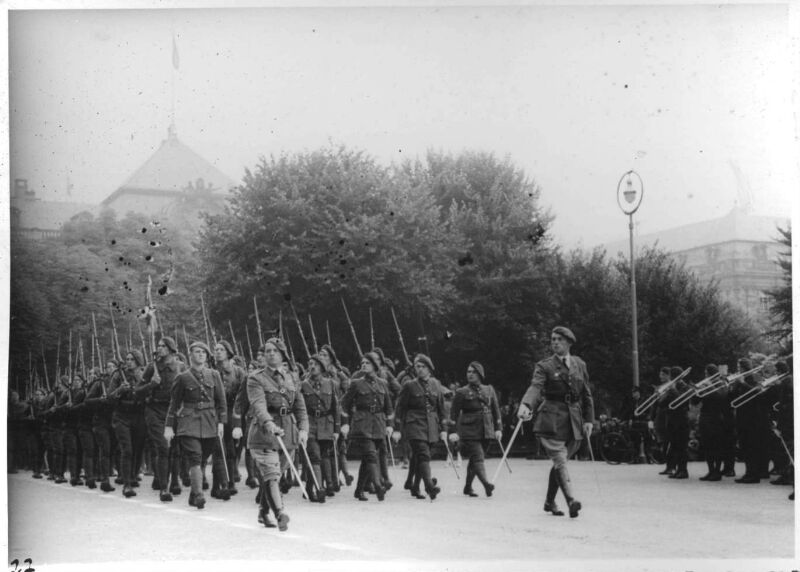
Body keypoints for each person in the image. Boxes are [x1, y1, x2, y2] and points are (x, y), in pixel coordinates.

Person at [517, 326, 594, 518]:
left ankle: (549, 502)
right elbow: (535, 387)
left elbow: (586, 393)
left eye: (560, 339)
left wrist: (589, 419)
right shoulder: (545, 366)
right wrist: (526, 404)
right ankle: (571, 501)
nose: (555, 342)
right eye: (553, 339)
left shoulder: (579, 364)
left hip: (574, 420)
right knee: (560, 459)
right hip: (551, 418)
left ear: (569, 343)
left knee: (561, 463)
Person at [246, 338, 309, 530]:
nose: (270, 354)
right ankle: (281, 513)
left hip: (288, 434)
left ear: (282, 354)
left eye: (274, 351)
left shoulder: (291, 377)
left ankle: (263, 512)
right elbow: (258, 405)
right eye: (267, 351)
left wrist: (304, 429)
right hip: (264, 435)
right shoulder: (256, 378)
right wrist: (269, 423)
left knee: (274, 475)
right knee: (271, 474)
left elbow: (300, 407)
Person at [164, 341, 227, 509]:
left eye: (203, 353)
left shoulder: (214, 375)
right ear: (190, 355)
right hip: (188, 422)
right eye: (197, 352)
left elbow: (221, 402)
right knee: (195, 457)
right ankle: (199, 495)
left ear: (207, 356)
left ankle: (193, 492)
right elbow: (174, 403)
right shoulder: (182, 377)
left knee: (203, 457)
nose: (200, 355)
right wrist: (169, 426)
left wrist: (221, 423)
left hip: (209, 422)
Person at [392, 353, 447, 500]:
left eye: (423, 367)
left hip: (431, 426)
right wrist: (397, 428)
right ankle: (430, 486)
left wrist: (444, 429)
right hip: (414, 424)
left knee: (418, 458)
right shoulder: (409, 385)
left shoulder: (436, 384)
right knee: (423, 454)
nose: (420, 369)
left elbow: (441, 408)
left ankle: (415, 487)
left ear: (429, 369)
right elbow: (400, 407)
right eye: (417, 367)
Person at [341, 352, 393, 501]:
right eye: (362, 363)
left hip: (378, 425)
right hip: (362, 425)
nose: (363, 365)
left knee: (367, 459)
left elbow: (389, 408)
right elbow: (344, 405)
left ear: (375, 366)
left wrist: (389, 425)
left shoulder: (383, 383)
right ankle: (378, 486)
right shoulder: (356, 383)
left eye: (367, 363)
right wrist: (345, 424)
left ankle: (359, 490)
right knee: (371, 455)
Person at [139, 336, 185, 502]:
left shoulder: (180, 367)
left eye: (163, 346)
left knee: (175, 448)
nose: (159, 348)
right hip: (155, 411)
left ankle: (174, 481)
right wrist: (151, 384)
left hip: (174, 411)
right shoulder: (152, 367)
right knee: (163, 447)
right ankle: (164, 488)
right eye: (158, 346)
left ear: (171, 349)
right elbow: (138, 391)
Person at [448, 362, 501, 497]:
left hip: (486, 429)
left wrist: (498, 428)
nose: (470, 374)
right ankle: (487, 485)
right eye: (468, 372)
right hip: (469, 431)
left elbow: (496, 411)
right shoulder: (462, 392)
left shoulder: (489, 390)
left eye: (473, 372)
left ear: (480, 374)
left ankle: (467, 487)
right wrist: (453, 431)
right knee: (478, 457)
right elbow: (453, 413)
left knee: (474, 460)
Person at [299, 353, 341, 501]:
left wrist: (336, 429)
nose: (312, 366)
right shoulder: (303, 385)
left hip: (326, 424)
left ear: (322, 367)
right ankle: (319, 488)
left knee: (322, 457)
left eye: (315, 364)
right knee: (315, 456)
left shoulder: (331, 384)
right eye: (310, 364)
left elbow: (336, 407)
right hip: (310, 423)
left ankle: (310, 487)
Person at [107, 351, 147, 497]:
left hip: (139, 416)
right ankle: (127, 484)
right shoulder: (118, 375)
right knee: (127, 449)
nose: (129, 362)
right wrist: (120, 390)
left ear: (139, 361)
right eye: (127, 359)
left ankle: (132, 476)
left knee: (137, 449)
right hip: (121, 416)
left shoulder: (144, 375)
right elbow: (109, 397)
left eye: (132, 359)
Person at [212, 340, 246, 500]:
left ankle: (231, 481)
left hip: (233, 411)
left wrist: (238, 415)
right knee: (218, 448)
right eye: (216, 349)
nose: (218, 352)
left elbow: (243, 392)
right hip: (215, 411)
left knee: (231, 449)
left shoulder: (238, 372)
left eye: (221, 349)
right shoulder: (210, 370)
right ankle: (220, 484)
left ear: (228, 352)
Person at [696, 364, 732, 481]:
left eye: (707, 374)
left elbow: (722, 396)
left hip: (717, 417)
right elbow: (695, 401)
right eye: (705, 374)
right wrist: (697, 390)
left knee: (716, 445)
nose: (706, 376)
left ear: (713, 374)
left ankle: (717, 471)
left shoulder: (722, 382)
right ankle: (710, 470)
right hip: (705, 416)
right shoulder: (706, 384)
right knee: (707, 446)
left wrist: (709, 387)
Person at [664, 366, 690, 480]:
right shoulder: (671, 388)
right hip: (673, 420)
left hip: (682, 420)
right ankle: (678, 469)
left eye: (671, 376)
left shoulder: (685, 387)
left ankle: (683, 470)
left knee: (682, 447)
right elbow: (663, 404)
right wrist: (663, 393)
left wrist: (673, 389)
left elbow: (681, 401)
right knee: (675, 446)